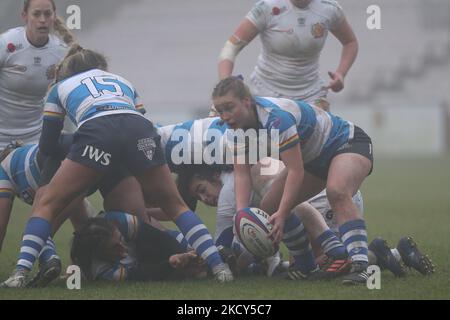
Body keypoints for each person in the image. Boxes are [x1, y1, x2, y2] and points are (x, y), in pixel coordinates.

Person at [0, 45, 233, 288]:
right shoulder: (122, 80)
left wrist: (79, 157)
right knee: (174, 206)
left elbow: (47, 145)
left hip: (98, 135)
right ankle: (220, 266)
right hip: (139, 129)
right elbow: (138, 119)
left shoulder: (60, 87)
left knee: (47, 204)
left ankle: (19, 273)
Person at [212, 76, 372, 284]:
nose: (225, 116)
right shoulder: (234, 131)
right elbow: (242, 174)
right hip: (313, 160)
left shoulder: (276, 119)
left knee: (336, 191)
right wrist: (241, 216)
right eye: (220, 110)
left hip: (345, 141)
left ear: (246, 101)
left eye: (229, 107)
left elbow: (296, 170)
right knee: (269, 205)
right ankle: (307, 265)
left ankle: (361, 264)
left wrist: (284, 212)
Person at [216, 0, 358, 112]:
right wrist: (226, 84)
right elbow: (230, 47)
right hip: (267, 92)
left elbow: (350, 42)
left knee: (320, 143)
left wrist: (341, 73)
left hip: (311, 94)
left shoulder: (330, 9)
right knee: (270, 146)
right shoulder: (266, 8)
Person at [0, 0, 75, 150]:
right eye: (36, 14)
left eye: (47, 14)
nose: (42, 20)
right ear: (24, 16)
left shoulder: (61, 52)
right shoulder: (6, 43)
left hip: (34, 140)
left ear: (54, 16)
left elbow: (66, 100)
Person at [70, 211, 207, 282]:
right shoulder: (101, 271)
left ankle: (214, 255)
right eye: (114, 248)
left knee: (195, 250)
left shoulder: (120, 221)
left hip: (149, 247)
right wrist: (172, 263)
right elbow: (144, 275)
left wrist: (181, 254)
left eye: (120, 240)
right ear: (98, 254)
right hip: (143, 264)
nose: (122, 248)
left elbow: (159, 238)